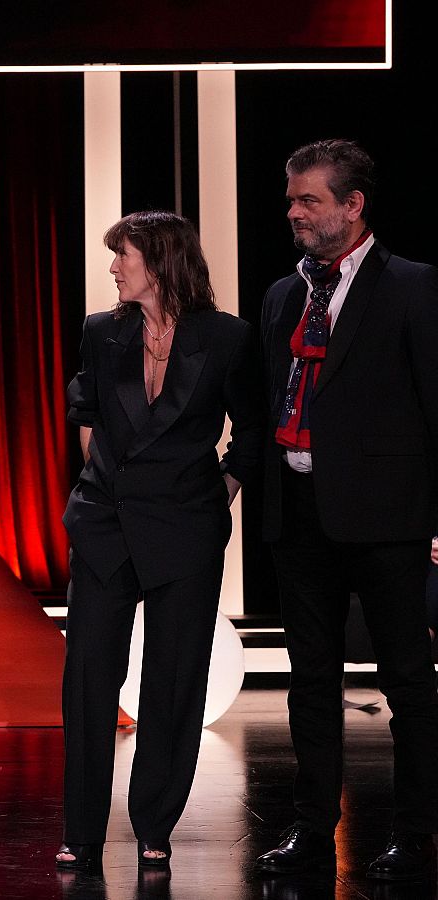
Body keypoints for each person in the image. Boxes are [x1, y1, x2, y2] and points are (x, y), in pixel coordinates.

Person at [52, 211, 263, 871]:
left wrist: (218, 491)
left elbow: (252, 431)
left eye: (125, 256)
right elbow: (84, 413)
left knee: (174, 683)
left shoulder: (227, 339)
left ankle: (154, 825)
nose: (114, 268)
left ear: (162, 262)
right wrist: (104, 483)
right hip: (106, 525)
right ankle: (82, 830)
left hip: (185, 528)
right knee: (89, 680)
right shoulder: (100, 331)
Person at [252, 139, 438, 882]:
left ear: (353, 206)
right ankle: (310, 829)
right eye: (292, 200)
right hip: (299, 517)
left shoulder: (414, 287)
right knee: (310, 682)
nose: (294, 212)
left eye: (310, 201)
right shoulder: (281, 294)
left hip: (389, 522)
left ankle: (414, 835)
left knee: (408, 683)